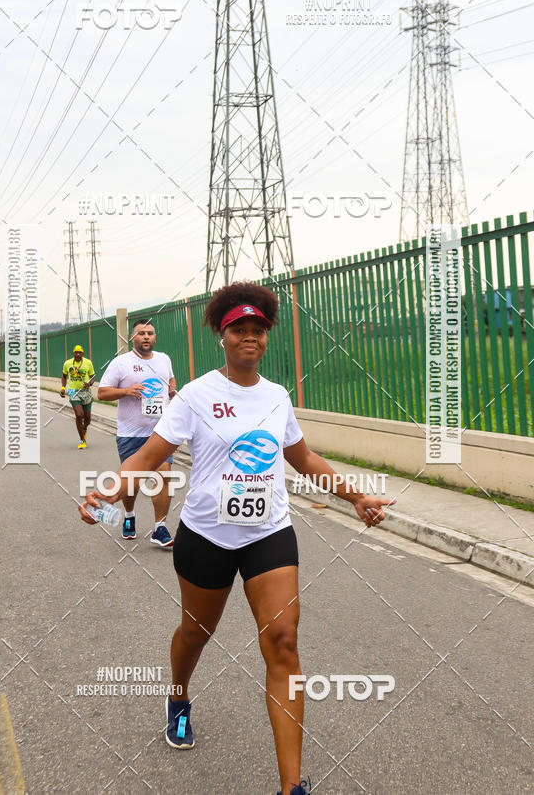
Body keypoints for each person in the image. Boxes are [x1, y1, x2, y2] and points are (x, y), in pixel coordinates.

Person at [79, 282, 394, 795]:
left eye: (258, 331)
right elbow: (149, 456)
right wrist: (109, 491)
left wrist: (355, 496)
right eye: (239, 330)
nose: (251, 338)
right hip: (206, 534)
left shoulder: (276, 397)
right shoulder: (198, 395)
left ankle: (291, 787)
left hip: (268, 532)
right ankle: (178, 695)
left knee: (284, 643)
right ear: (222, 338)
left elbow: (303, 459)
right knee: (194, 634)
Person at [97, 321, 177, 547]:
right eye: (141, 333)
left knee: (164, 476)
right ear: (132, 337)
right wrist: (126, 391)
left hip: (159, 432)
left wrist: (171, 388)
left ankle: (159, 527)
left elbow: (170, 379)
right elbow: (102, 393)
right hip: (130, 433)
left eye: (150, 333)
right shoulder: (121, 363)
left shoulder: (164, 359)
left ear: (155, 337)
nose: (146, 337)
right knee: (131, 482)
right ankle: (129, 515)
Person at [60, 346, 95, 449]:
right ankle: (82, 440)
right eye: (76, 353)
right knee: (79, 415)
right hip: (73, 392)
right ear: (73, 353)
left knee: (87, 419)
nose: (78, 354)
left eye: (80, 353)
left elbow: (93, 376)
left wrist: (89, 383)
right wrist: (63, 388)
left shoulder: (88, 363)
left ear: (83, 354)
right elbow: (64, 376)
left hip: (86, 392)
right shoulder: (67, 363)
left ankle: (83, 429)